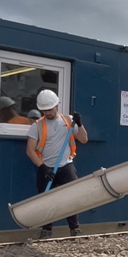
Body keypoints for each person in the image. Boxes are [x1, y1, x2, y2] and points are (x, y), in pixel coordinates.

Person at [26, 89, 88, 239]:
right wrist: (43, 167)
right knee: (46, 200)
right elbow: (30, 150)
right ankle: (46, 230)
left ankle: (75, 229)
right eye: (44, 110)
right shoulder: (37, 126)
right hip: (46, 167)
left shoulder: (69, 121)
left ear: (57, 106)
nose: (47, 113)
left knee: (72, 197)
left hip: (66, 166)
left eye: (49, 109)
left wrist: (79, 125)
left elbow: (84, 139)